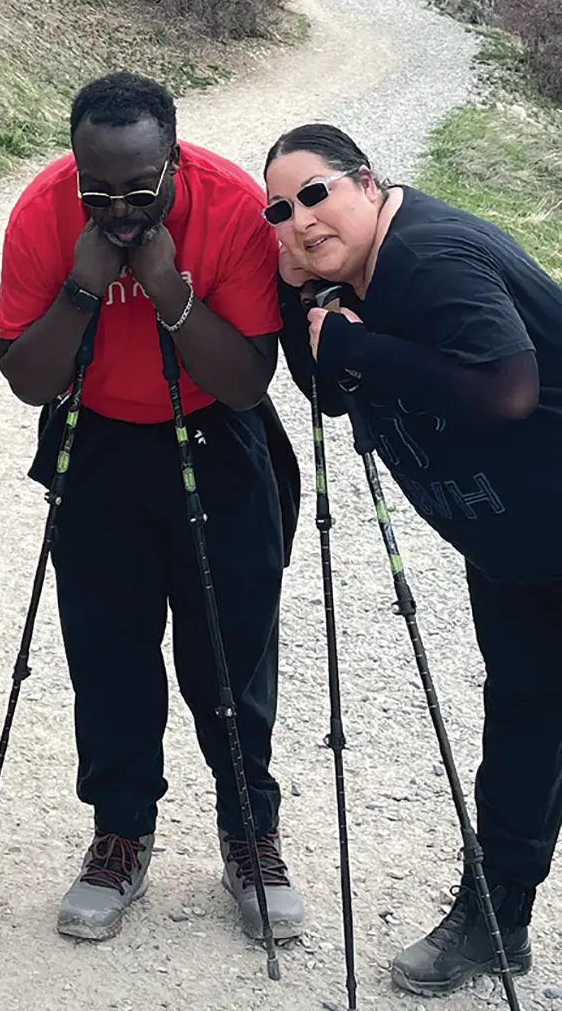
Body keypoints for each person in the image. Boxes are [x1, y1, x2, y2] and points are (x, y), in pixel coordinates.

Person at [0, 72, 306, 946]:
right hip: (96, 445)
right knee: (108, 651)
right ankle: (120, 832)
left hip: (216, 440)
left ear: (174, 154)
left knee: (229, 652)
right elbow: (25, 378)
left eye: (141, 186)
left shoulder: (235, 205)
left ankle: (251, 834)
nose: (120, 206)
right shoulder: (44, 211)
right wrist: (83, 289)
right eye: (99, 187)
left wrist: (169, 290)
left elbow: (246, 379)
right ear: (75, 162)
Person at [267, 122, 560, 997]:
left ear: (366, 179)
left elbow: (507, 388)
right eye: (280, 209)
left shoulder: (426, 257)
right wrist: (299, 299)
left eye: (315, 192)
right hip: (517, 546)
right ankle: (495, 921)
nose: (300, 218)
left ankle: (494, 913)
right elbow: (324, 389)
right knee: (523, 726)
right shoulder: (342, 283)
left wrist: (357, 344)